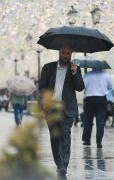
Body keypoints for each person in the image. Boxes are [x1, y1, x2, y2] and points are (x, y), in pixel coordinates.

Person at [39, 44, 84, 179]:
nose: (65, 56)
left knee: (65, 135)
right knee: (55, 137)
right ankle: (59, 163)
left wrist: (75, 73)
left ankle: (63, 166)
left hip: (67, 109)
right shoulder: (48, 68)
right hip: (51, 108)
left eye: (68, 54)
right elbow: (42, 87)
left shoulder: (75, 69)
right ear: (59, 53)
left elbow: (80, 87)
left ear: (71, 54)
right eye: (63, 53)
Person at [82, 68, 113, 148]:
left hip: (90, 99)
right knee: (100, 121)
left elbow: (83, 86)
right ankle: (99, 142)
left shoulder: (87, 74)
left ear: (92, 67)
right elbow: (110, 87)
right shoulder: (106, 75)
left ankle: (87, 140)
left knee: (88, 120)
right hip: (102, 99)